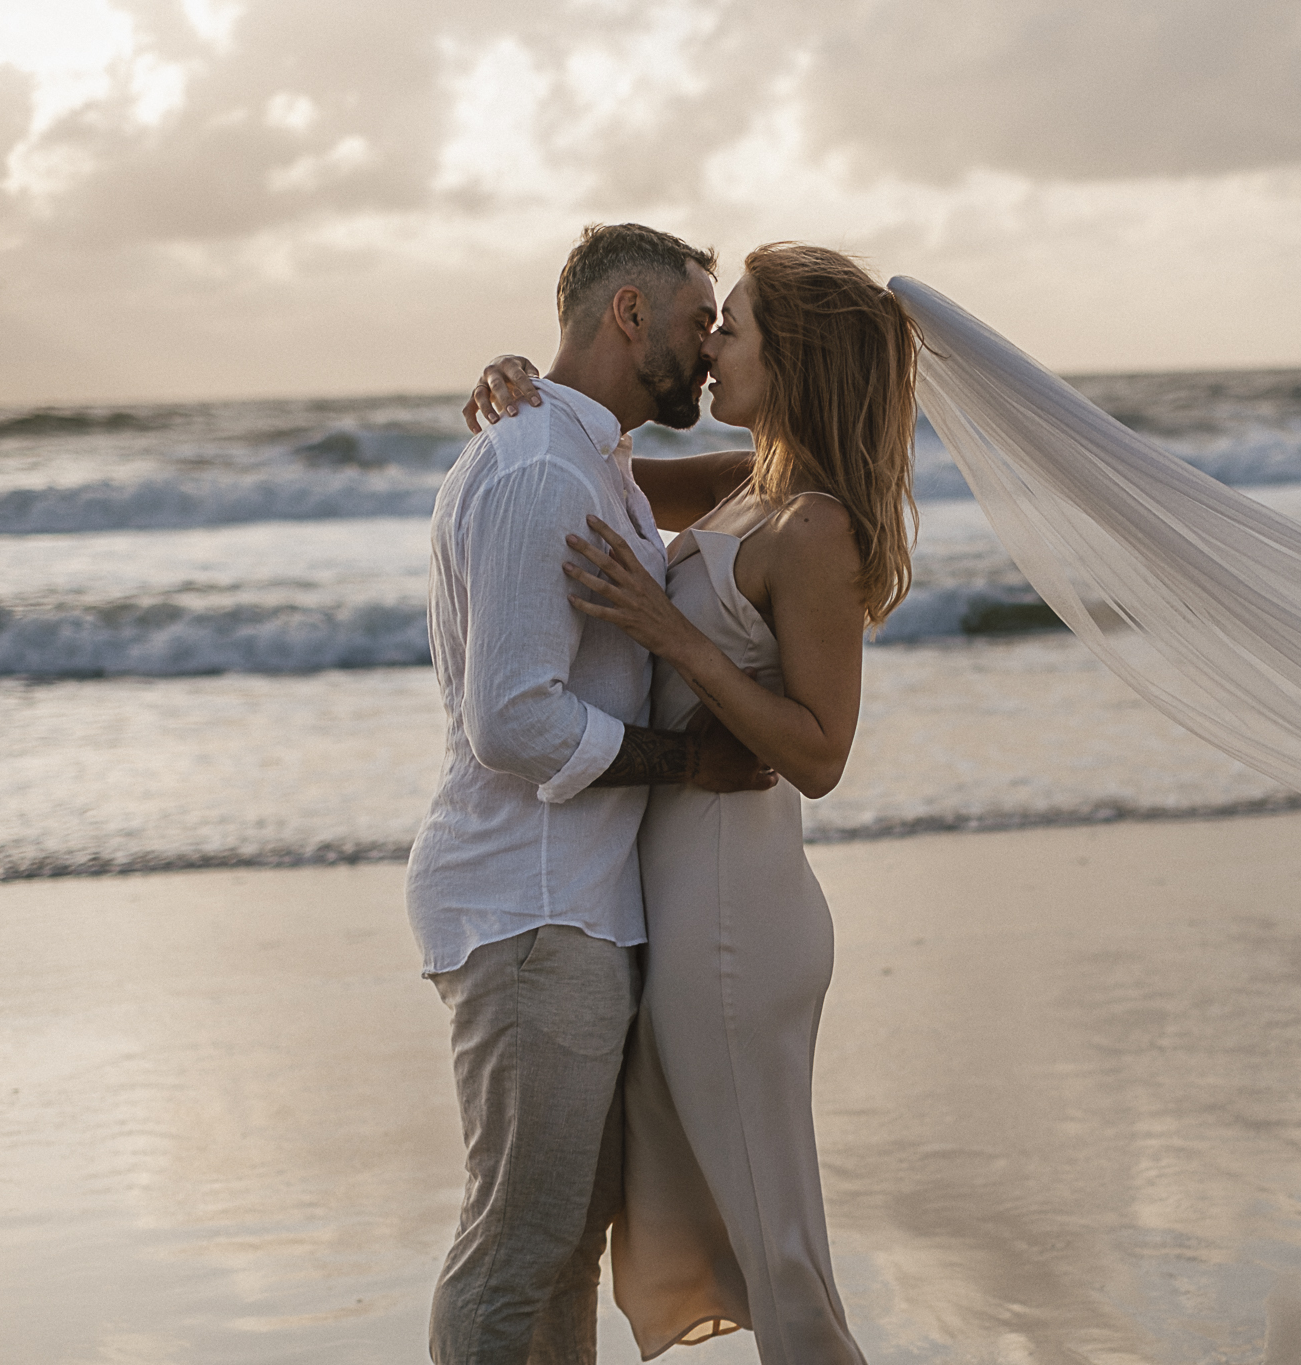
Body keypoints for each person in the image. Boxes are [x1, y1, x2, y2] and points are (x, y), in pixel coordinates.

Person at [467, 242, 919, 1364]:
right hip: (682, 908)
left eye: (737, 326)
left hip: (735, 916)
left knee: (782, 1258)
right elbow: (583, 466)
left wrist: (677, 642)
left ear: (794, 357)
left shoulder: (811, 528)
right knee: (754, 1242)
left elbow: (819, 753)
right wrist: (520, 386)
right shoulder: (743, 486)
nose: (713, 345)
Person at [407, 222, 775, 1365]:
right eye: (692, 320)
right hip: (529, 910)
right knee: (517, 1249)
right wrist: (690, 762)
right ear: (627, 315)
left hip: (571, 907)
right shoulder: (535, 470)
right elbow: (512, 721)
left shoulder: (593, 459)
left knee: (560, 1246)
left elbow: (753, 477)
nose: (708, 346)